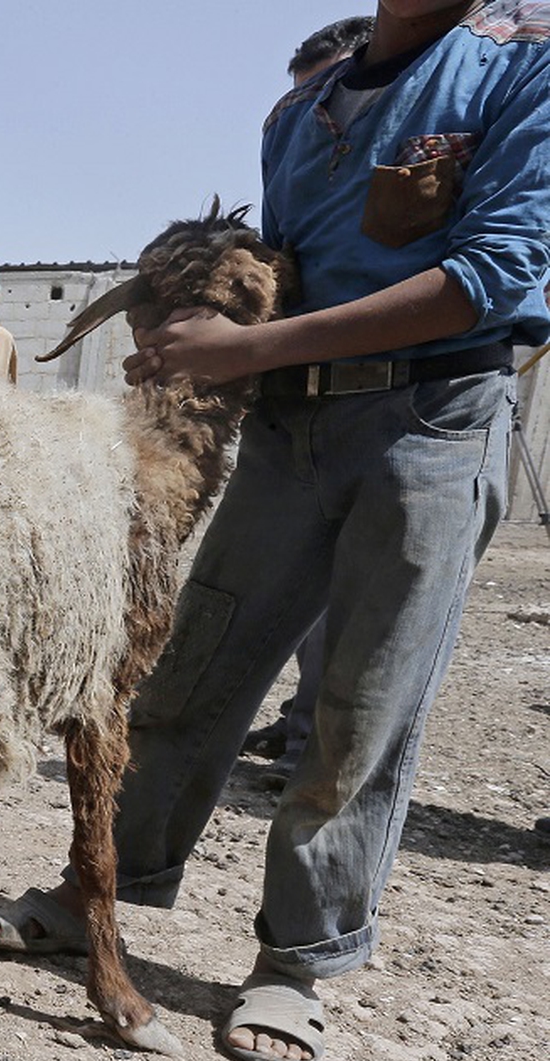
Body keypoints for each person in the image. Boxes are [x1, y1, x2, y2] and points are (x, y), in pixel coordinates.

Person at [0, 0, 549, 1061]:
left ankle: (296, 960)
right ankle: (101, 886)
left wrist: (247, 348)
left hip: (429, 426)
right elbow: (287, 269)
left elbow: (492, 276)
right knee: (190, 671)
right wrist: (189, 321)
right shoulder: (301, 110)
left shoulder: (520, 73)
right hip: (288, 431)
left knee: (361, 705)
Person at [243, 14, 376, 790]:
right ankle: (297, 724)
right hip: (298, 414)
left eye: (324, 94)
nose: (312, 114)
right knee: (291, 602)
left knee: (344, 613)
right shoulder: (297, 159)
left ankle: (308, 755)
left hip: (380, 412)